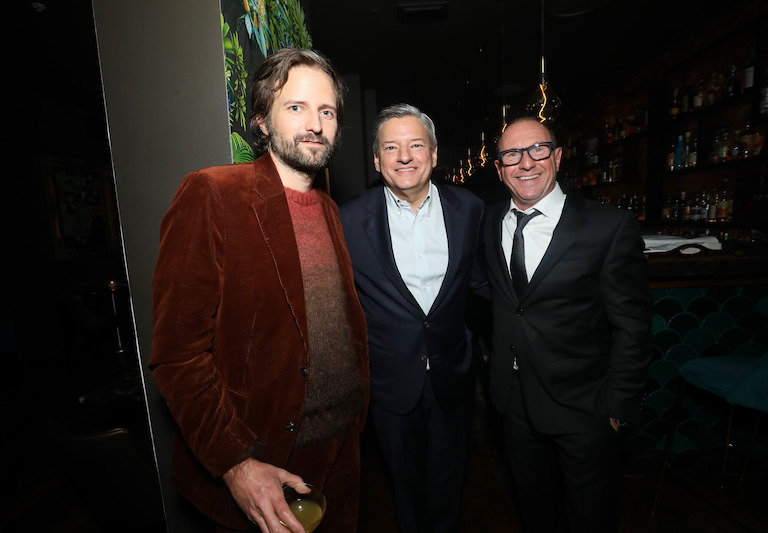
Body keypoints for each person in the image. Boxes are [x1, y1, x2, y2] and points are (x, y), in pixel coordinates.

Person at [149, 48, 369, 533]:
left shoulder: (330, 210)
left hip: (339, 465)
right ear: (262, 121)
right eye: (296, 107)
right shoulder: (211, 194)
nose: (315, 123)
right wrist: (236, 464)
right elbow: (177, 357)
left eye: (326, 111)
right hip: (263, 471)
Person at [484, 116, 653, 532]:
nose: (526, 163)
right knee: (534, 510)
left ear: (557, 157)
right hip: (514, 400)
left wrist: (617, 408)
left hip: (585, 406)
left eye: (538, 150)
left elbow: (633, 325)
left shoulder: (607, 227)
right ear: (499, 167)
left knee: (590, 517)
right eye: (512, 155)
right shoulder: (489, 223)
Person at [338, 103, 490, 533]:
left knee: (449, 480)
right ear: (376, 160)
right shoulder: (348, 219)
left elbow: (480, 284)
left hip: (452, 372)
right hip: (389, 379)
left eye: (415, 145)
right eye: (391, 147)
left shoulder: (470, 208)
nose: (404, 156)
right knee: (403, 485)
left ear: (435, 154)